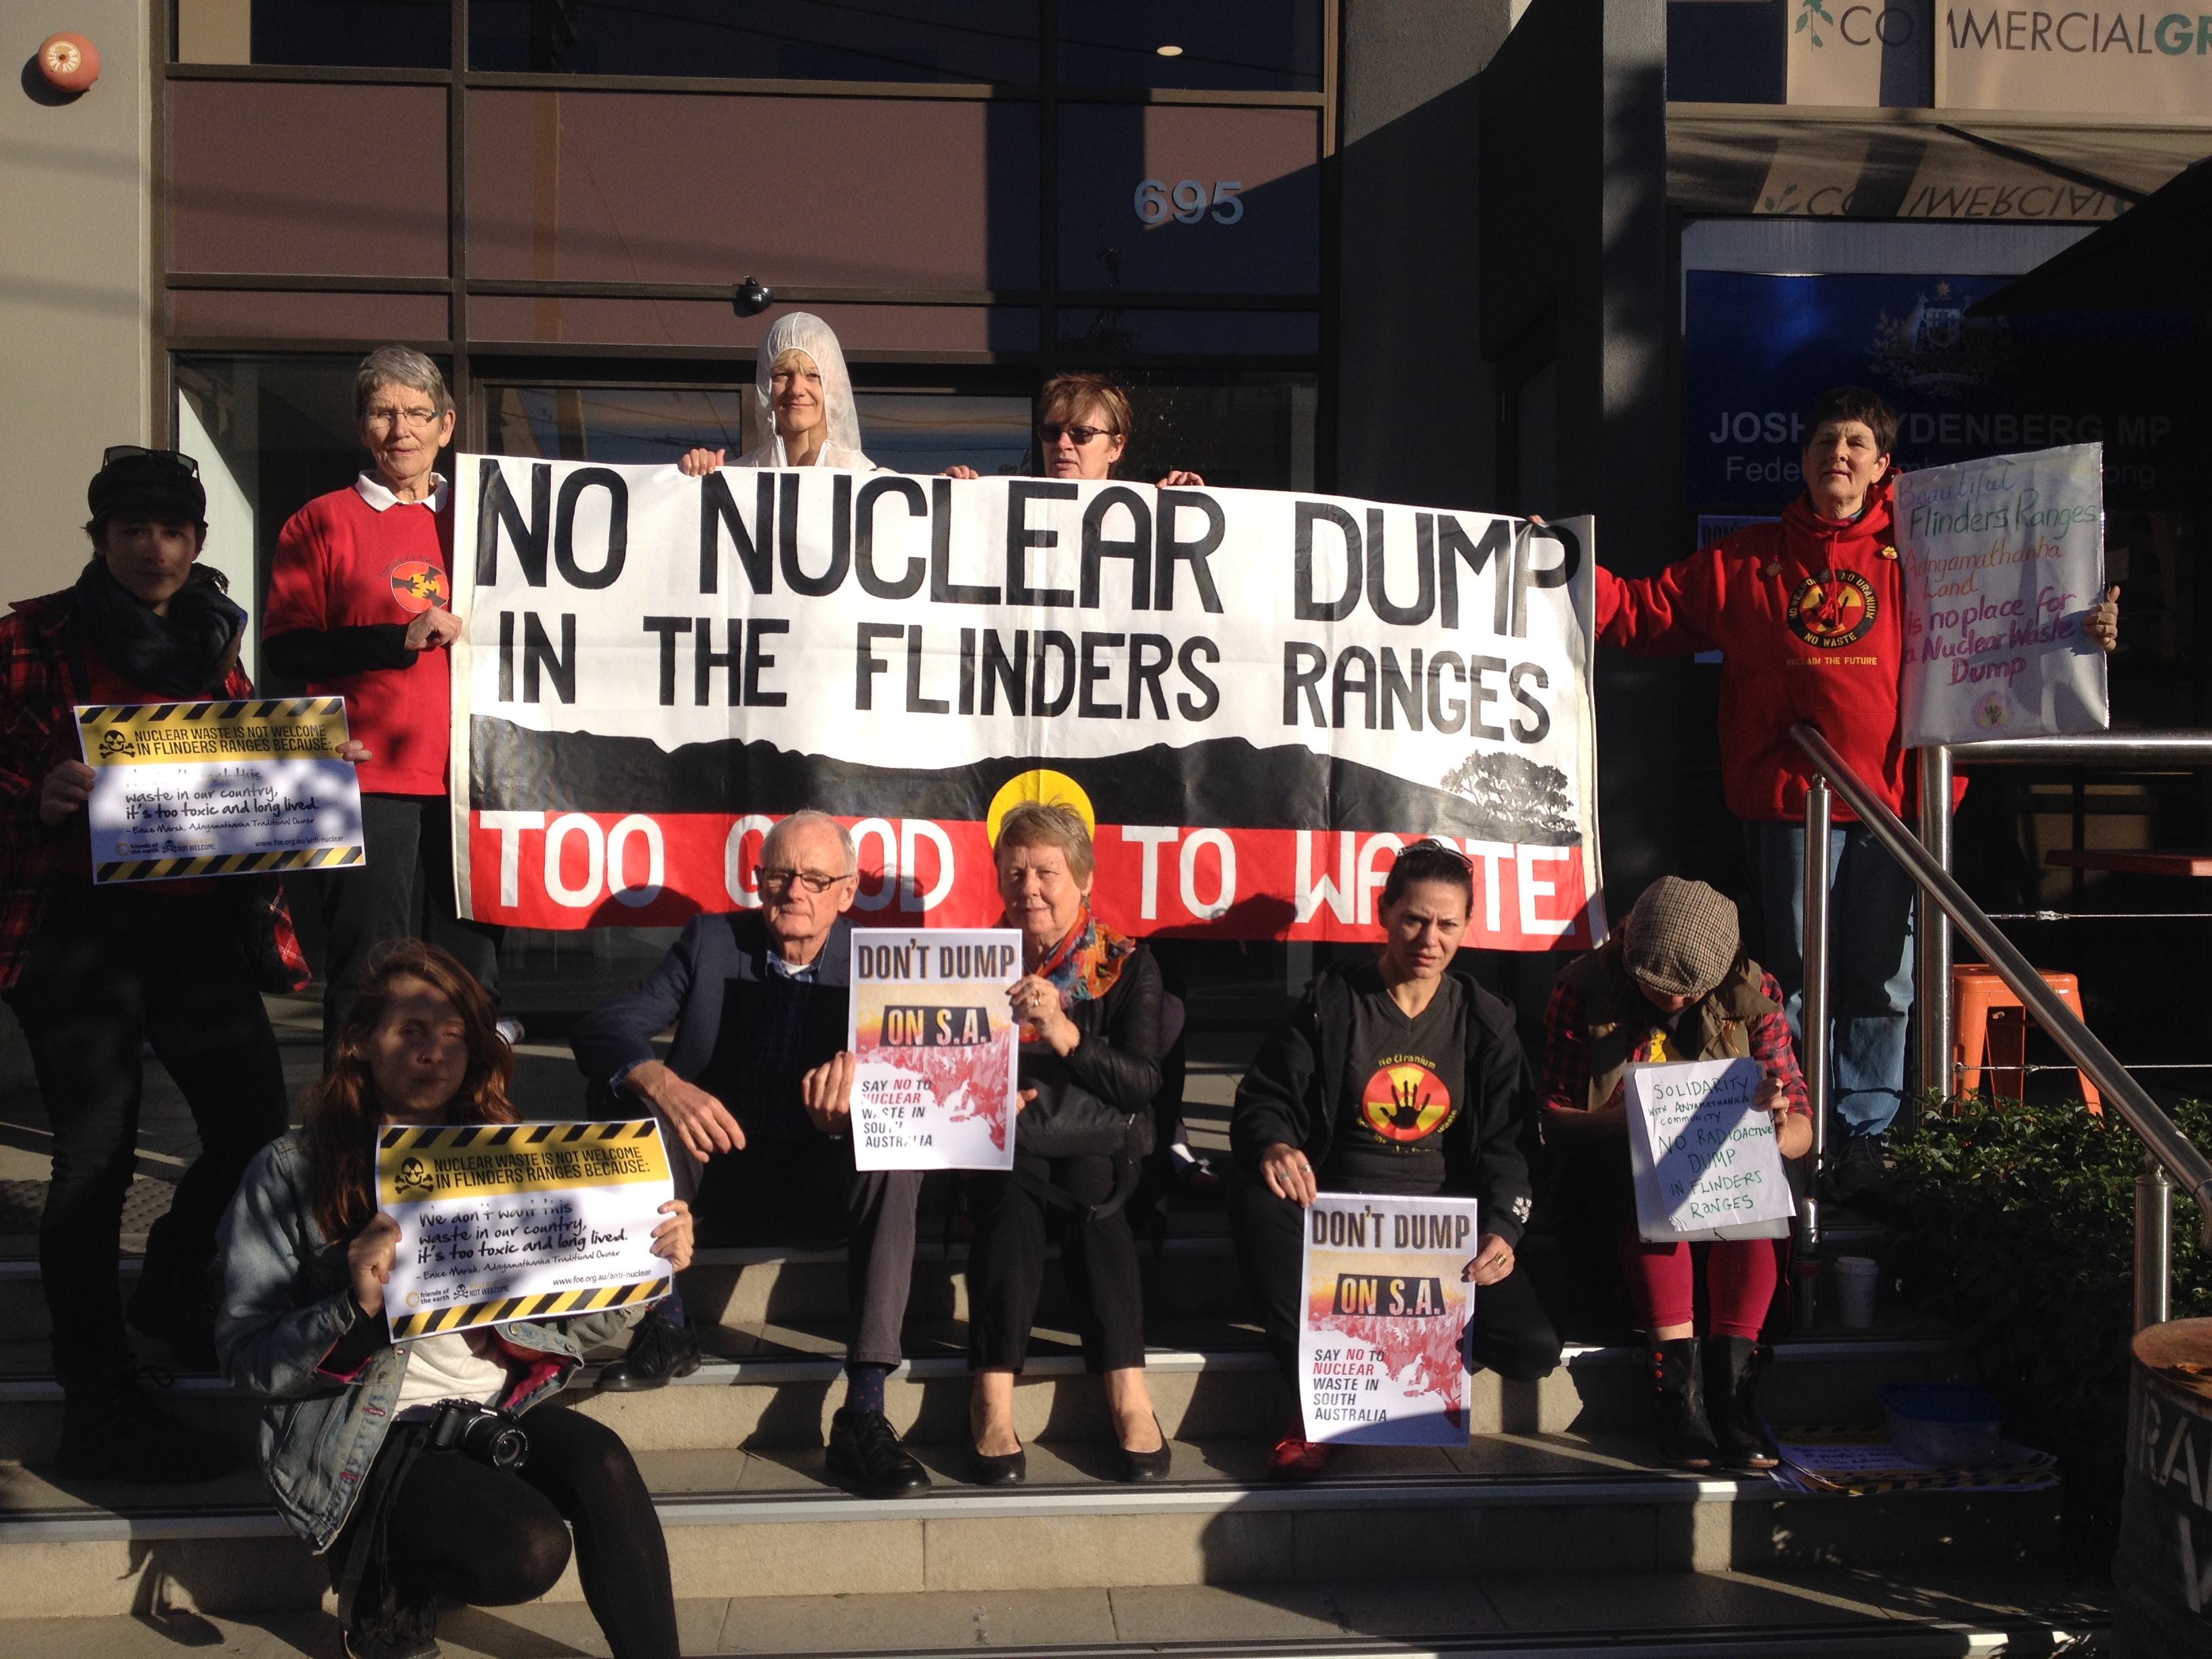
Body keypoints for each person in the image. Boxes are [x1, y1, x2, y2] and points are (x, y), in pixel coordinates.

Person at [1594, 386, 2119, 1194]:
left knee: (1882, 976)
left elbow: (2010, 626)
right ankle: (1796, 1127)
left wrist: (2081, 628)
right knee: (1796, 976)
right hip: (1790, 807)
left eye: (1855, 444)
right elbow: (1640, 613)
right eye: (1824, 443)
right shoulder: (1748, 557)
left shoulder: (1923, 557)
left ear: (1882, 467)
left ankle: (1866, 1135)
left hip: (1896, 808)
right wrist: (1555, 570)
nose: (1836, 454)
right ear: (1803, 460)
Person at [217, 941, 693, 1659]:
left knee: (603, 1459)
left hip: (490, 1409)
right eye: (410, 1032)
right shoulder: (289, 1173)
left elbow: (577, 1334)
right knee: (529, 1550)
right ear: (360, 1044)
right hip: (368, 1434)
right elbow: (247, 1360)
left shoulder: (507, 1160)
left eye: (453, 1036)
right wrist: (357, 1307)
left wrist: (644, 1271)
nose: (433, 1052)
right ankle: (383, 1571)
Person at [0, 447, 322, 1479]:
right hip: (73, 934)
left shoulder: (212, 643)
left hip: (194, 932)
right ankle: (95, 1394)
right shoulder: (27, 635)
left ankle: (174, 1296)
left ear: (196, 544)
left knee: (250, 1126)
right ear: (100, 538)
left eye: (172, 531)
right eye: (132, 529)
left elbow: (239, 775)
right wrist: (31, 797)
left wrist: (313, 778)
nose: (153, 548)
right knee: (94, 1160)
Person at [569, 810, 931, 1497]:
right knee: (627, 1099)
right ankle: (666, 1321)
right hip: (710, 1182)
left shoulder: (879, 965)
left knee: (895, 1150)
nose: (793, 890)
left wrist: (850, 1114)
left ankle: (865, 1409)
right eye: (778, 875)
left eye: (815, 878)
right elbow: (607, 1026)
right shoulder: (711, 940)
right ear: (756, 880)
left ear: (846, 893)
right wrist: (662, 1079)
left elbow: (919, 1087)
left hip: (817, 1180)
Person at [1230, 839, 1560, 1481]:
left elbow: (1508, 1147)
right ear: (1385, 913)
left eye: (1447, 923)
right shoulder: (1331, 1003)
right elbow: (1265, 1099)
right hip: (1336, 1218)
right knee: (1254, 1200)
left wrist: (1504, 1228)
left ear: (1466, 928)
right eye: (1414, 918)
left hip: (1438, 1231)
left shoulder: (1486, 1022)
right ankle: (1318, 1405)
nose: (1428, 938)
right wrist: (1274, 1142)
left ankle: (1387, 1372)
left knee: (1531, 1349)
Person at [264, 346, 510, 1059]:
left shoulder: (486, 517)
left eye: (416, 413)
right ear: (360, 426)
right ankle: (353, 1139)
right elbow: (290, 649)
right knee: (370, 974)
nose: (400, 429)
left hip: (477, 782)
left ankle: (466, 1136)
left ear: (447, 425)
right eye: (382, 413)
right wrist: (395, 640)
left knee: (469, 980)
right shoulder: (320, 522)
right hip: (368, 780)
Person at [1539, 876, 1812, 1471]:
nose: (1673, 1003)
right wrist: (1615, 1121)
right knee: (1651, 1189)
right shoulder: (1583, 991)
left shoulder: (1755, 991)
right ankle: (1677, 1398)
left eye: (1689, 993)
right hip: (1613, 1178)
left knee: (1757, 1189)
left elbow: (1802, 1132)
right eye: (1657, 989)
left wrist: (1774, 1124)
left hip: (1719, 1180)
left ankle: (1733, 1395)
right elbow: (1553, 1122)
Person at [966, 802, 1169, 1485]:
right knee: (1007, 1181)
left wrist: (1066, 1033)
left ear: (1083, 880)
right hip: (1007, 1137)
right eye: (1014, 870)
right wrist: (993, 1090)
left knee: (1091, 1186)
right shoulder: (972, 961)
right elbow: (940, 1066)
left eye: (1047, 872)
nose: (1029, 887)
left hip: (1100, 1140)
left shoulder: (1127, 965)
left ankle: (1129, 1393)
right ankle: (992, 1397)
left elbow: (1141, 1083)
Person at [678, 312, 883, 474]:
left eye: (813, 375)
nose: (796, 389)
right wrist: (702, 478)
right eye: (782, 375)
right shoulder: (741, 476)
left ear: (834, 386)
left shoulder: (873, 483)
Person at [944, 371, 1204, 486]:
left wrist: (1187, 511)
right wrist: (946, 506)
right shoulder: (1001, 516)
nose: (1062, 444)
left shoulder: (1149, 522)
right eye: (1051, 432)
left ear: (1116, 446)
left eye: (1081, 433)